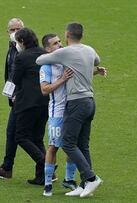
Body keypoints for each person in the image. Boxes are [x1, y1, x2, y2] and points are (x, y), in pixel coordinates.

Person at [36, 22, 106, 198]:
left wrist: (56, 55)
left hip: (76, 104)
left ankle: (91, 178)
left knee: (67, 143)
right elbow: (97, 61)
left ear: (67, 35)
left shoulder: (65, 52)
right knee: (83, 145)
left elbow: (39, 60)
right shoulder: (89, 50)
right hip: (90, 102)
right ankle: (84, 185)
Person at [39, 34, 77, 197]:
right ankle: (47, 183)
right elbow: (44, 90)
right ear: (48, 49)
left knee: (73, 147)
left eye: (60, 41)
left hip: (73, 111)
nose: (60, 45)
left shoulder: (66, 60)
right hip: (57, 113)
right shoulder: (46, 67)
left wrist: (96, 71)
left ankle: (69, 179)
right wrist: (62, 79)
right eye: (55, 43)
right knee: (53, 147)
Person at [0, 18, 24, 179]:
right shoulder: (12, 48)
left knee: (24, 136)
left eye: (18, 29)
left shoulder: (24, 50)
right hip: (17, 97)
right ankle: (7, 168)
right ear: (7, 32)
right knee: (17, 134)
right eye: (12, 30)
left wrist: (17, 94)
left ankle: (45, 165)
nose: (14, 33)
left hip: (23, 99)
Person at [12, 28, 49, 185]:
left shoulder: (22, 57)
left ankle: (45, 162)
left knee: (21, 136)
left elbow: (15, 79)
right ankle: (41, 176)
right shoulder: (44, 54)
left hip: (27, 103)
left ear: (21, 42)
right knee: (37, 138)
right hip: (45, 101)